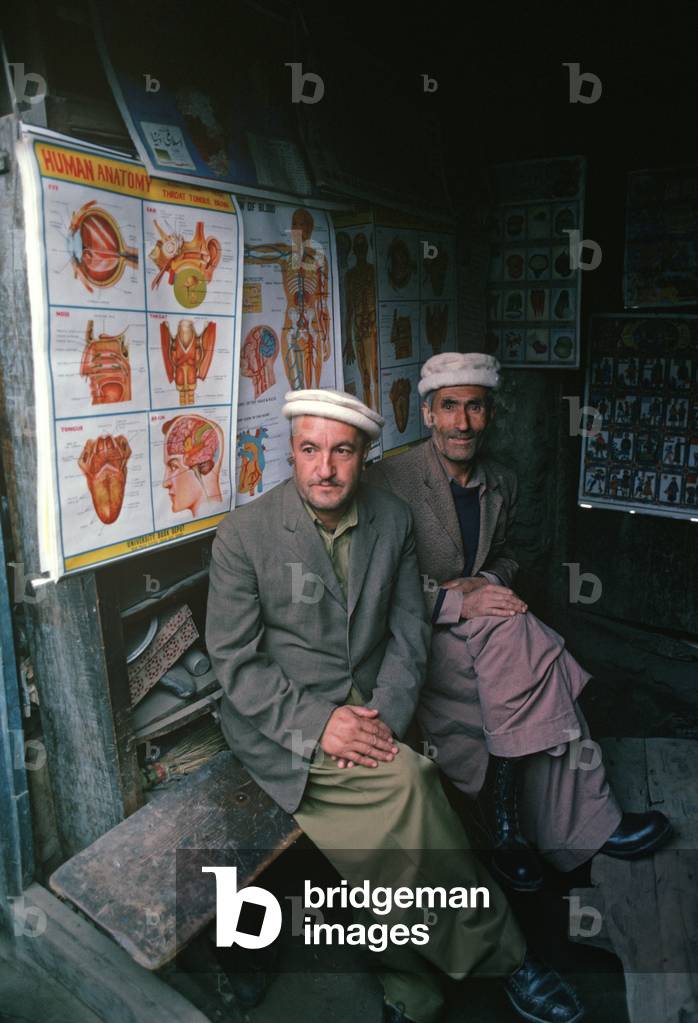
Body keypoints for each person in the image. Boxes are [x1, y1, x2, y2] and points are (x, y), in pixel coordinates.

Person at [206, 388, 584, 1023]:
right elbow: (236, 664)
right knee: (414, 785)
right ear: (291, 453)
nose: (325, 468)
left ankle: (413, 992)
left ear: (365, 456)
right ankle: (507, 958)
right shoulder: (244, 534)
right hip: (285, 723)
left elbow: (411, 636)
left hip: (372, 709)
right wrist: (322, 724)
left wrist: (383, 714)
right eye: (309, 450)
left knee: (404, 820)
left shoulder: (393, 518)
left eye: (342, 452)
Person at [366, 353, 671, 892]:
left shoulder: (501, 480)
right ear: (428, 413)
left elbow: (508, 558)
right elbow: (378, 585)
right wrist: (459, 602)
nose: (463, 423)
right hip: (420, 640)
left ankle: (507, 827)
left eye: (475, 408)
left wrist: (484, 582)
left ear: (490, 413)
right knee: (532, 647)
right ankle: (590, 828)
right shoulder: (391, 480)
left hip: (488, 640)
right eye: (450, 408)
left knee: (516, 640)